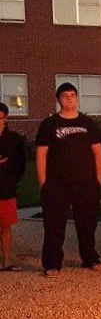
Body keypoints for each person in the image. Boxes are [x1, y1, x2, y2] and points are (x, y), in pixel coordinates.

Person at [36, 82, 101, 278]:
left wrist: (99, 179)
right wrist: (43, 182)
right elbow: (41, 154)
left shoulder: (87, 123)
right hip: (57, 184)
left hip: (86, 183)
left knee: (88, 223)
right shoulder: (49, 124)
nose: (69, 98)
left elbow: (98, 152)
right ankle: (52, 263)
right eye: (65, 95)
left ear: (77, 98)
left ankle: (90, 257)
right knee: (54, 225)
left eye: (72, 94)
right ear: (58, 100)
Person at [0, 102, 26, 271]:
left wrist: (13, 179)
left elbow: (20, 163)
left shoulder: (13, 139)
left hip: (5, 188)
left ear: (6, 118)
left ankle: (6, 260)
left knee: (5, 226)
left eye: (0, 118)